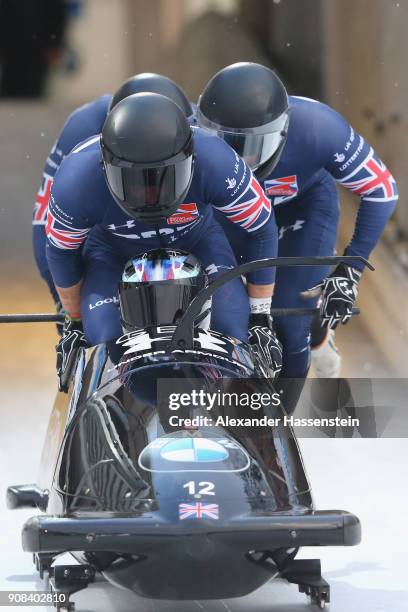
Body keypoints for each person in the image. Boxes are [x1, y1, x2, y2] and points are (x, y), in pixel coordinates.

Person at [47, 93, 282, 391]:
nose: (150, 195)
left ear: (191, 160)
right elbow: (61, 253)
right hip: (112, 253)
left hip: (197, 243)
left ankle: (222, 410)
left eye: (163, 178)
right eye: (135, 182)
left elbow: (261, 227)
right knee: (104, 342)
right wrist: (77, 323)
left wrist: (260, 316)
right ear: (105, 168)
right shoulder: (75, 181)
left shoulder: (217, 161)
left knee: (231, 331)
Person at [197, 62, 398, 381]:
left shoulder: (319, 129)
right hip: (231, 219)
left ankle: (289, 402)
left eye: (246, 148)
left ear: (281, 134)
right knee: (230, 317)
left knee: (288, 317)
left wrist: (351, 268)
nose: (235, 161)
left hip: (300, 209)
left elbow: (382, 190)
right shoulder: (186, 137)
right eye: (222, 144)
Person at [33, 72, 195, 304]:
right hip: (109, 234)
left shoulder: (197, 126)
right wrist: (65, 300)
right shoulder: (82, 132)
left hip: (183, 229)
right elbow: (49, 224)